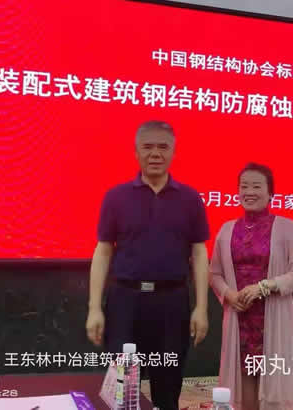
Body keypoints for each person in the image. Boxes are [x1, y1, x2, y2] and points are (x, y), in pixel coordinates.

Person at [86, 120, 210, 410]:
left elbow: (199, 253)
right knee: (123, 390)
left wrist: (201, 308)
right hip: (125, 302)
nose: (155, 154)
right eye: (148, 147)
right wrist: (94, 308)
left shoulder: (190, 198)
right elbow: (103, 252)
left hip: (172, 303)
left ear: (174, 152)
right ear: (136, 152)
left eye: (163, 147)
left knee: (168, 387)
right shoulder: (116, 197)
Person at [209, 163, 293, 410]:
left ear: (270, 192)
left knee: (272, 387)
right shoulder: (226, 230)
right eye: (244, 186)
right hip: (239, 318)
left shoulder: (287, 228)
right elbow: (215, 274)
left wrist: (265, 286)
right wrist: (229, 295)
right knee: (242, 387)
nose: (249, 192)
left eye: (256, 186)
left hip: (272, 318)